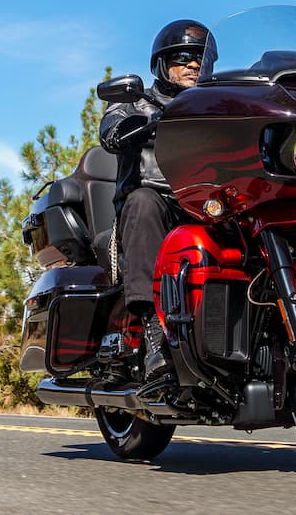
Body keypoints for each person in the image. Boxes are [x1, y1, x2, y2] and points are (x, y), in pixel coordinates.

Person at [99, 19, 208, 379]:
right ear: (162, 63)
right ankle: (153, 332)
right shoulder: (138, 103)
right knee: (143, 201)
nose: (193, 64)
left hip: (207, 206)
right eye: (182, 57)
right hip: (156, 207)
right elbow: (112, 132)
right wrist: (138, 125)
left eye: (200, 58)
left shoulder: (217, 108)